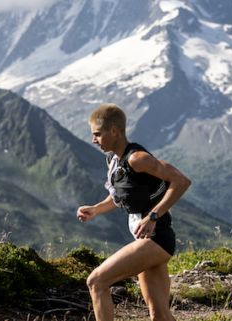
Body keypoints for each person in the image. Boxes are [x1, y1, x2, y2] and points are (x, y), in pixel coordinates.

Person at [77, 104, 191, 321]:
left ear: (114, 131)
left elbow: (181, 181)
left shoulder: (137, 158)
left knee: (96, 281)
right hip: (147, 238)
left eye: (97, 135)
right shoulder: (114, 161)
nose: (94, 140)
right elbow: (120, 196)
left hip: (156, 238)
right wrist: (95, 209)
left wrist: (153, 216)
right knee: (159, 315)